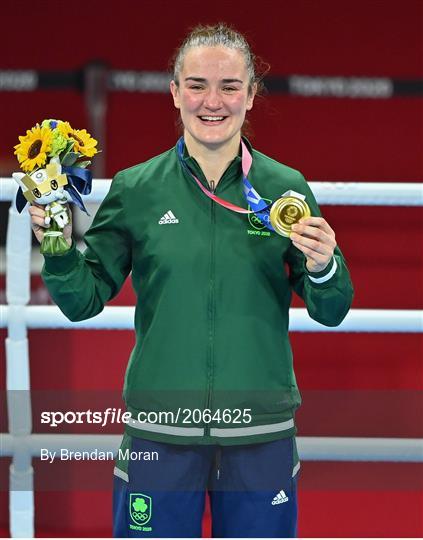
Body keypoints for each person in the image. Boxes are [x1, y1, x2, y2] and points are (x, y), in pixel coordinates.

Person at [29, 23, 353, 539]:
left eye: (229, 86)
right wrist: (58, 246)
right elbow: (83, 301)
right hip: (161, 431)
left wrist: (323, 265)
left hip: (259, 430)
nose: (213, 101)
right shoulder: (136, 189)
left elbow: (331, 308)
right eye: (197, 84)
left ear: (251, 94)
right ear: (175, 91)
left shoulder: (284, 188)